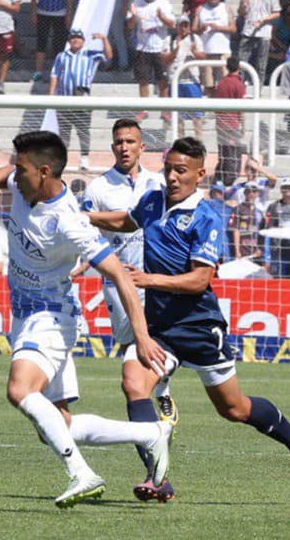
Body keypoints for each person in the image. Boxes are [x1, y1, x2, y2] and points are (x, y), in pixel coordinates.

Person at [87, 136, 290, 492]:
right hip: (160, 327)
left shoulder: (206, 216)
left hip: (198, 325)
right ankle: (157, 476)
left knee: (233, 409)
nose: (172, 178)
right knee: (134, 384)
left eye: (181, 171)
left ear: (200, 174)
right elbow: (125, 221)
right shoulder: (153, 201)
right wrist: (82, 216)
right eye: (168, 169)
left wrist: (148, 279)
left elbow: (200, 280)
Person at [0, 131, 174, 508]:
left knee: (20, 390)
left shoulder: (69, 220)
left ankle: (82, 475)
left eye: (20, 170)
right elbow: (4, 173)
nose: (13, 176)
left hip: (53, 317)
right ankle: (149, 434)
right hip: (25, 317)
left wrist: (141, 337)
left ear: (43, 172)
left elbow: (120, 274)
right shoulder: (26, 184)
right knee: (57, 425)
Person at [79, 119, 177, 499]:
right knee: (135, 362)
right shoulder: (98, 188)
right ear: (112, 146)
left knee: (140, 368)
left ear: (142, 146)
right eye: (118, 141)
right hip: (119, 287)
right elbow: (86, 236)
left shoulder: (158, 184)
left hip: (157, 283)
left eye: (131, 141)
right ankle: (161, 395)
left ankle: (157, 466)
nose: (124, 147)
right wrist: (79, 263)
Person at [48, 30, 112, 170]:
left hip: (82, 99)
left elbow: (108, 56)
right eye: (72, 38)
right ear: (69, 40)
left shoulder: (90, 54)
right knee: (64, 132)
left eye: (78, 38)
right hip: (64, 99)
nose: (75, 40)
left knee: (82, 130)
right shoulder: (62, 56)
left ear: (83, 40)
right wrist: (51, 95)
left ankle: (84, 159)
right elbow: (55, 74)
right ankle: (62, 159)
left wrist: (104, 39)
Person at [127, 0, 174, 120]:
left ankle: (164, 110)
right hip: (143, 48)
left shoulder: (163, 4)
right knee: (143, 80)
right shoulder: (137, 4)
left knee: (162, 80)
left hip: (160, 47)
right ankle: (144, 109)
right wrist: (134, 16)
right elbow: (129, 26)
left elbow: (172, 24)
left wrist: (161, 17)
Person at [164, 14, 205, 139]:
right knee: (178, 115)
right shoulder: (169, 39)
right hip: (175, 81)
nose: (183, 28)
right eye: (181, 25)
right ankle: (180, 141)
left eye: (185, 25)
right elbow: (165, 59)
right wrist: (176, 48)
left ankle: (199, 141)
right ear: (176, 26)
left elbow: (203, 57)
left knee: (196, 115)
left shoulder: (195, 39)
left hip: (192, 81)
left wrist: (193, 51)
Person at [30, 0, 73, 82]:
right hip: (43, 12)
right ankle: (38, 72)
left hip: (59, 13)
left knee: (59, 43)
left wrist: (69, 15)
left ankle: (58, 71)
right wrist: (33, 12)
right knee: (41, 42)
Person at [237, 0, 279, 84]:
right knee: (242, 61)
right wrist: (243, 6)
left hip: (264, 32)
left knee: (261, 63)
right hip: (248, 30)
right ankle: (241, 87)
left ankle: (258, 90)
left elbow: (276, 13)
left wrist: (263, 21)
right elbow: (240, 13)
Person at [262, 177, 290, 278]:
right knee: (279, 281)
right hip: (278, 251)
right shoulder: (273, 206)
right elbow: (269, 228)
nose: (287, 190)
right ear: (281, 189)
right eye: (285, 187)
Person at [192, 0, 233, 95]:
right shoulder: (200, 9)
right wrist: (201, 28)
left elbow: (233, 28)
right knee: (208, 86)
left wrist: (219, 28)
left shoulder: (226, 7)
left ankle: (224, 111)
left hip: (224, 50)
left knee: (225, 84)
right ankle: (210, 110)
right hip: (207, 51)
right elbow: (193, 29)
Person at [213, 56, 246, 185]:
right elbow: (241, 108)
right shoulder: (239, 84)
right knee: (233, 153)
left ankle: (219, 176)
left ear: (227, 67)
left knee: (223, 152)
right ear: (239, 67)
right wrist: (243, 125)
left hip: (220, 123)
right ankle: (229, 180)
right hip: (232, 124)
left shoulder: (221, 83)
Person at [229, 181, 263, 260]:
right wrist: (237, 251)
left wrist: (261, 249)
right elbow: (236, 230)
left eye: (254, 191)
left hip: (256, 252)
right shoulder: (238, 209)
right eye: (249, 191)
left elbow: (262, 233)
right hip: (242, 251)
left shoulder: (259, 211)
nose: (251, 194)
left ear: (258, 194)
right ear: (244, 193)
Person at [206, 181, 231, 261]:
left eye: (219, 192)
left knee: (225, 263)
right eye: (214, 191)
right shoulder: (205, 205)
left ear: (223, 194)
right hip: (208, 236)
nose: (216, 194)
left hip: (223, 238)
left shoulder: (228, 208)